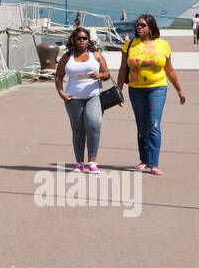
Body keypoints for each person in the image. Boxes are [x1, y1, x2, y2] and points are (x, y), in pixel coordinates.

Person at [115, 13, 186, 176]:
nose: (139, 28)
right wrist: (119, 90)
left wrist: (179, 90)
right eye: (137, 25)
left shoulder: (163, 45)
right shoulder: (130, 45)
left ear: (151, 27)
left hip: (157, 88)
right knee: (142, 127)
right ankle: (144, 160)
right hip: (136, 89)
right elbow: (123, 69)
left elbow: (170, 70)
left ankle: (153, 164)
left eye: (142, 25)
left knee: (153, 126)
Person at [54, 26, 109, 174]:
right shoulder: (67, 57)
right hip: (73, 97)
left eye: (85, 38)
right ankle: (79, 163)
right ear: (74, 40)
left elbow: (107, 74)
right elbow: (58, 76)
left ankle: (92, 162)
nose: (82, 41)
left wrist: (99, 76)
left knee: (94, 125)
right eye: (79, 38)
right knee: (78, 130)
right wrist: (61, 93)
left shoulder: (95, 55)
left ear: (88, 40)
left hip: (93, 95)